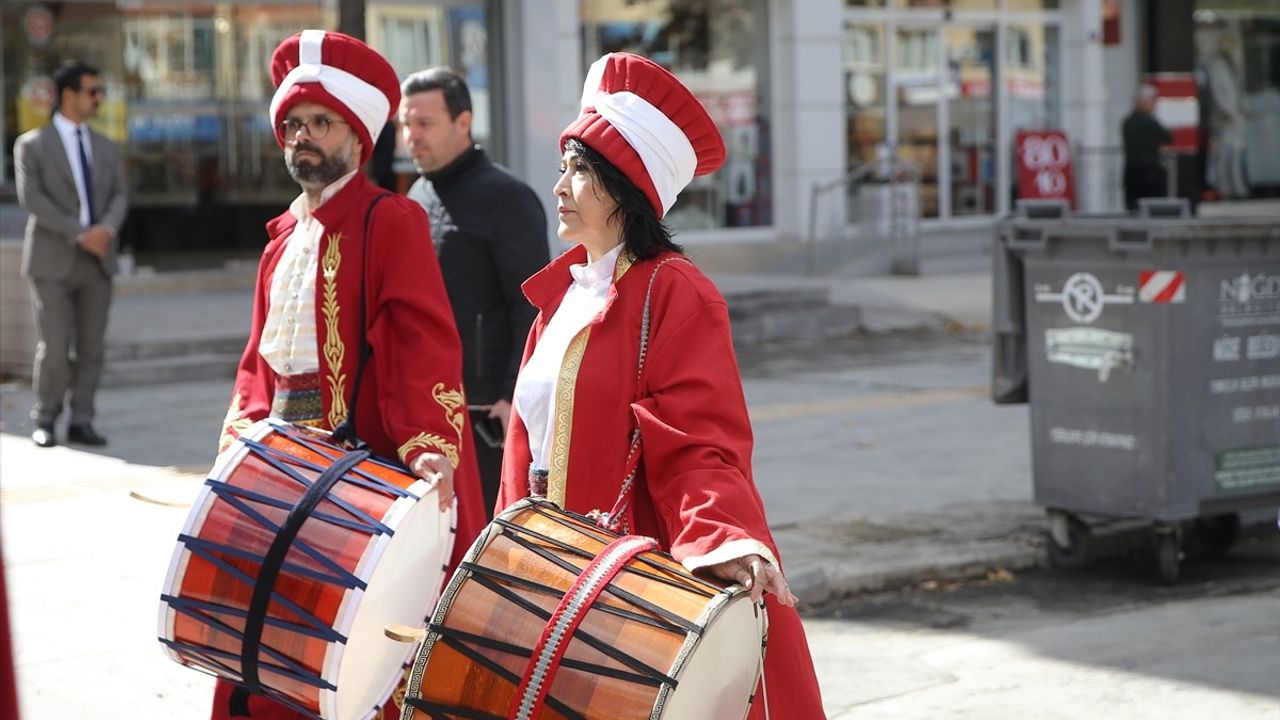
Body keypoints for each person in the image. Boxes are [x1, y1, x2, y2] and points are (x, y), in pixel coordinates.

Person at [496, 52, 826, 718]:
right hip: (543, 574)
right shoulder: (561, 299)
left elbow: (701, 438)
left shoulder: (673, 290)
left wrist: (723, 535)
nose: (560, 185)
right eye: (563, 165)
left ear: (628, 186)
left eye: (581, 169)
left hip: (622, 583)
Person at [211, 30, 485, 720]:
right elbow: (257, 363)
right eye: (291, 125)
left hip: (356, 472)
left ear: (358, 138)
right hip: (275, 466)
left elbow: (422, 339)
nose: (301, 136)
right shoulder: (279, 241)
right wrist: (238, 438)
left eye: (319, 123)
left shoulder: (389, 220)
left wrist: (427, 441)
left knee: (350, 659)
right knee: (270, 649)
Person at [399, 67, 549, 519]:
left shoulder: (508, 197)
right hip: (425, 410)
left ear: (464, 122)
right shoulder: (417, 193)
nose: (412, 136)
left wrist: (510, 396)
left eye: (424, 124)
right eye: (406, 124)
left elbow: (533, 305)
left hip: (486, 415)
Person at [13, 60, 128, 448]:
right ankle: (45, 418)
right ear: (69, 95)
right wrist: (82, 234)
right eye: (92, 91)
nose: (99, 98)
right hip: (52, 259)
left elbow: (119, 194)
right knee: (55, 346)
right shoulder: (31, 144)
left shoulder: (106, 146)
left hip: (98, 262)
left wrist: (106, 231)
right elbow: (33, 199)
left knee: (92, 347)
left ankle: (82, 419)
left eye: (100, 92)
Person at [1121, 84, 1173, 211]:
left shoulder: (1127, 122)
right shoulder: (1150, 122)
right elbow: (1168, 137)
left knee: (1134, 209)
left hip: (1131, 172)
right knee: (1154, 210)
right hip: (1150, 172)